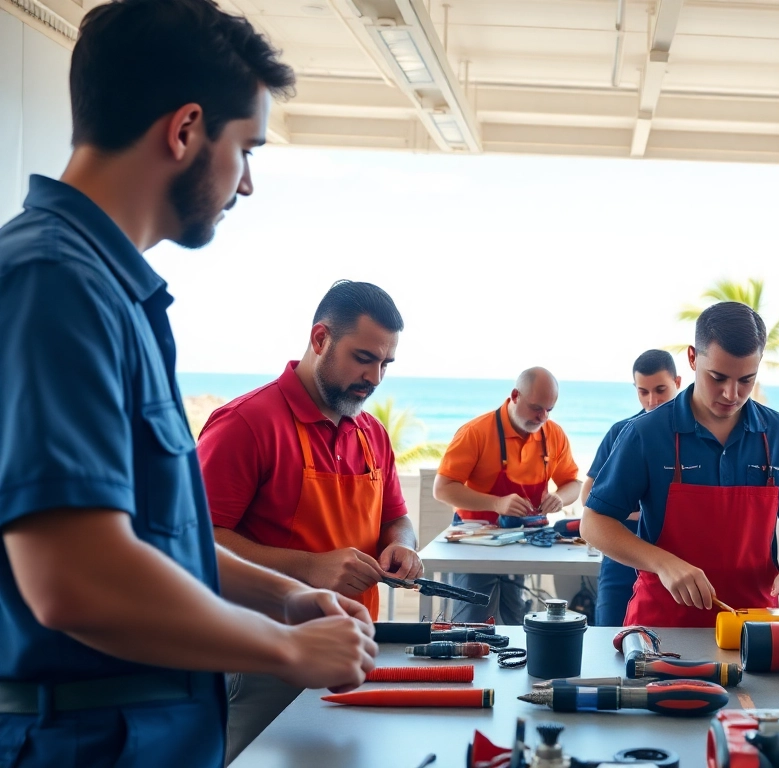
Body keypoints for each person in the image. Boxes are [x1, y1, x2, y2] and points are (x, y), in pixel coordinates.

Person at [0, 3, 377, 766]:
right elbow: (76, 578)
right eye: (245, 150)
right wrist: (286, 649)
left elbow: (150, 538)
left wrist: (284, 597)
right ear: (185, 130)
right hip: (87, 741)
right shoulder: (54, 284)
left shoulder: (106, 291)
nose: (246, 186)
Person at [196, 280, 421, 761]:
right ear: (320, 339)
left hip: (355, 647)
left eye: (386, 364)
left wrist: (403, 545)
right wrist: (310, 566)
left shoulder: (371, 431)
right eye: (364, 358)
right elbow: (194, 543)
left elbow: (397, 517)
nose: (376, 377)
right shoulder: (244, 424)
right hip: (263, 656)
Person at [581, 302, 779, 627]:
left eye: (746, 380)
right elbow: (594, 522)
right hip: (661, 626)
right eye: (718, 377)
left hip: (752, 625)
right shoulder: (646, 433)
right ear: (693, 358)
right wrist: (664, 563)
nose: (731, 393)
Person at [434, 368, 581, 623]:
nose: (542, 416)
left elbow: (573, 483)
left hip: (523, 541)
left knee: (517, 620)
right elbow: (443, 488)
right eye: (536, 408)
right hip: (474, 542)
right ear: (515, 395)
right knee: (471, 620)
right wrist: (496, 503)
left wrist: (560, 498)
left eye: (549, 410)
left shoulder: (554, 434)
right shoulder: (476, 432)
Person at [581, 350, 682, 626]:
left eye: (661, 390)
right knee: (608, 633)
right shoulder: (621, 431)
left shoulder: (694, 436)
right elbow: (586, 496)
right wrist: (641, 515)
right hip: (621, 555)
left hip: (676, 560)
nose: (653, 401)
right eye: (643, 392)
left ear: (678, 382)